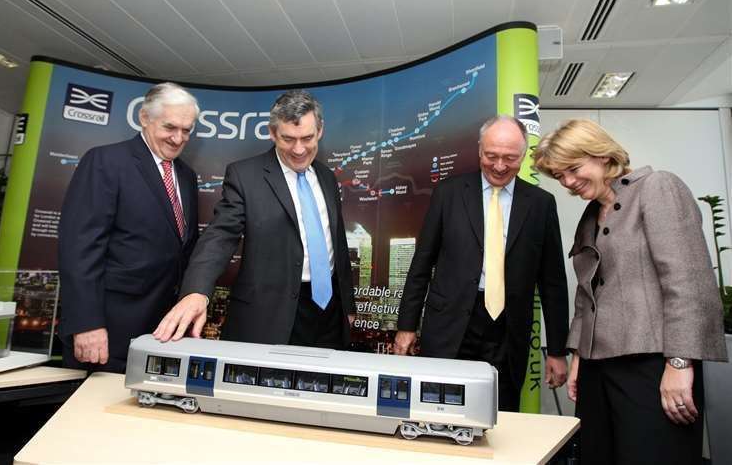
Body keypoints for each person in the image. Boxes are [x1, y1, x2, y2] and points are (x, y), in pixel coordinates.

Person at [532, 118, 727, 464]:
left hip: (652, 365)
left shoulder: (657, 188)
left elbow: (688, 281)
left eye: (573, 169)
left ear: (602, 155)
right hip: (597, 368)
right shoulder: (591, 214)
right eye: (560, 176)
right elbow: (586, 295)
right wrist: (578, 355)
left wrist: (680, 363)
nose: (568, 182)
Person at [153, 89, 355, 348]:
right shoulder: (245, 176)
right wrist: (196, 291)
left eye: (307, 138)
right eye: (288, 139)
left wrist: (347, 306)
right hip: (271, 316)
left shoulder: (326, 177)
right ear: (272, 133)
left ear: (320, 131)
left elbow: (336, 244)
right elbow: (220, 236)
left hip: (329, 314)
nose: (299, 149)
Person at [394, 115, 569, 411]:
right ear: (479, 150)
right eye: (491, 156)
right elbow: (421, 264)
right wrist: (406, 326)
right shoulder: (448, 194)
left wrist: (556, 350)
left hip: (508, 330)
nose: (500, 166)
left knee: (500, 415)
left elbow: (553, 282)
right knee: (439, 409)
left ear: (524, 155)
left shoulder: (541, 204)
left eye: (510, 158)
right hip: (450, 325)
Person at [58, 82, 200, 373]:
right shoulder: (105, 161)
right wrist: (87, 323)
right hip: (108, 331)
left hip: (162, 334)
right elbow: (80, 249)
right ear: (145, 118)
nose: (178, 138)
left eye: (187, 130)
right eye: (170, 127)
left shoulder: (186, 175)